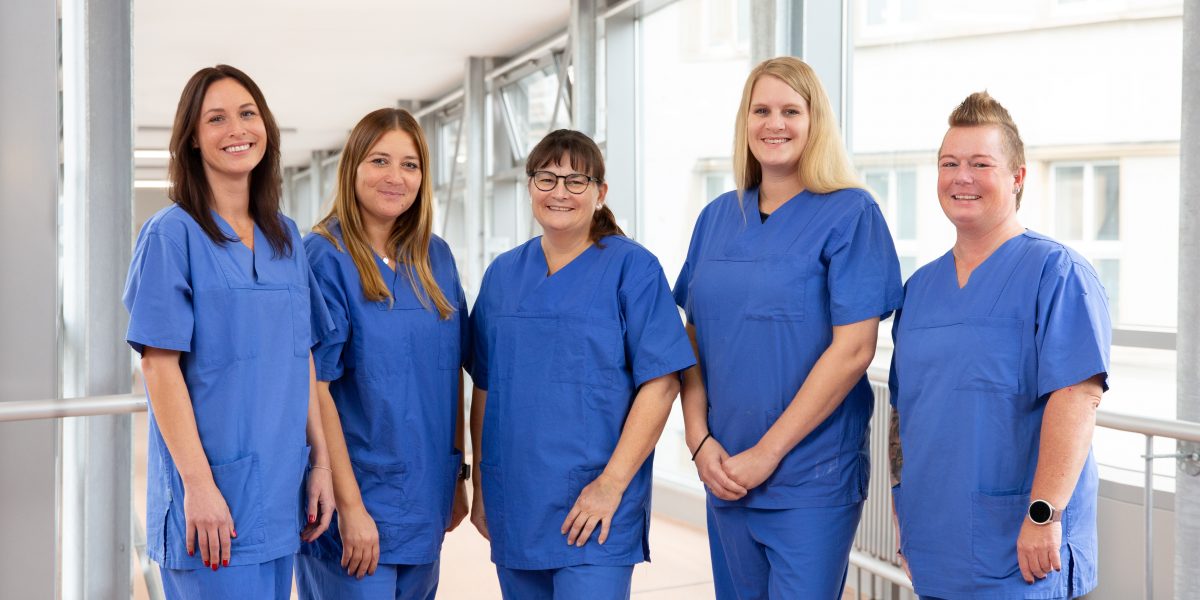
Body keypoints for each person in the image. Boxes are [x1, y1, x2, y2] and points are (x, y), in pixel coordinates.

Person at [673, 56, 903, 599]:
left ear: (814, 122)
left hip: (810, 476)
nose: (774, 123)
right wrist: (698, 436)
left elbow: (854, 350)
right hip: (725, 469)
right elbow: (692, 335)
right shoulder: (716, 218)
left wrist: (768, 453)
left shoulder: (851, 214)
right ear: (744, 122)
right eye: (762, 110)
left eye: (790, 110)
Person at [123, 64, 335, 599]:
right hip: (212, 499)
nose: (237, 129)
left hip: (281, 491)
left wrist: (322, 464)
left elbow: (302, 358)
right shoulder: (172, 235)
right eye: (215, 119)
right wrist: (197, 484)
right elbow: (158, 363)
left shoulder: (284, 235)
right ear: (192, 139)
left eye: (247, 114)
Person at [888, 91, 1110, 599]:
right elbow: (905, 410)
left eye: (980, 163)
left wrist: (1043, 513)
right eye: (949, 163)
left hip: (1022, 547)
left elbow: (1078, 397)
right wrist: (902, 509)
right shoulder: (919, 290)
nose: (961, 177)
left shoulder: (1057, 273)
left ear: (1017, 177)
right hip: (935, 541)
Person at [467, 129, 696, 600]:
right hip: (518, 500)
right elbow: (487, 387)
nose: (560, 192)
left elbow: (663, 383)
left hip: (596, 504)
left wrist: (610, 486)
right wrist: (485, 487)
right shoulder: (503, 275)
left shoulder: (633, 269)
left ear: (600, 192)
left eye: (576, 180)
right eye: (547, 178)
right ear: (530, 186)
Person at [295, 108, 470, 599]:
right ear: (352, 167)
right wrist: (351, 506)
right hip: (355, 501)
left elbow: (450, 373)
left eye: (410, 165)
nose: (396, 177)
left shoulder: (436, 257)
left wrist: (456, 478)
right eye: (380, 160)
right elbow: (316, 388)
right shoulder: (323, 256)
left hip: (424, 497)